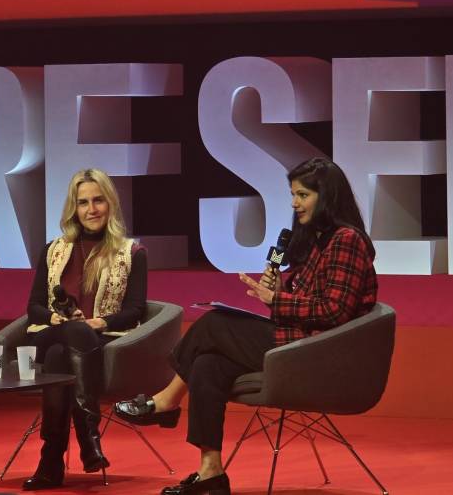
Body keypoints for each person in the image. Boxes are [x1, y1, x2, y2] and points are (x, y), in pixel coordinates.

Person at [114, 157, 378, 495]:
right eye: (293, 195)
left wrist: (278, 300)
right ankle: (211, 472)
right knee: (208, 364)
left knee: (214, 323)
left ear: (326, 196)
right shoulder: (319, 240)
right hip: (298, 341)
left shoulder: (347, 240)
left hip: (319, 353)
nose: (294, 203)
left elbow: (335, 311)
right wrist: (279, 293)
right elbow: (311, 302)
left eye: (303, 195)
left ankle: (167, 400)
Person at [22, 168, 147, 490]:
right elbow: (33, 306)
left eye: (98, 200)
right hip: (50, 332)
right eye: (83, 202)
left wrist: (99, 321)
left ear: (111, 203)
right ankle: (89, 439)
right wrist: (55, 318)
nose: (91, 209)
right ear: (73, 208)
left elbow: (135, 310)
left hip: (97, 339)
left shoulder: (132, 252)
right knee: (68, 336)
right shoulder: (53, 249)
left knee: (61, 355)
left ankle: (51, 461)